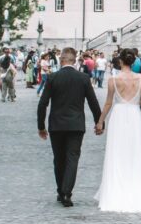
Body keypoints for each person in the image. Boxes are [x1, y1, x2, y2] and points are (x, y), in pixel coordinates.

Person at [36, 47, 102, 208]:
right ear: (74, 60)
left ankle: (60, 190)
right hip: (76, 125)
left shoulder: (53, 77)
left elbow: (43, 103)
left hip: (56, 125)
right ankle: (67, 192)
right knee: (73, 158)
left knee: (59, 159)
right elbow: (93, 102)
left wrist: (41, 126)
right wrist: (99, 122)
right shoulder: (83, 78)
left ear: (61, 60)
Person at [94, 48, 141, 213]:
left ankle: (114, 191)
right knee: (134, 153)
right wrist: (134, 103)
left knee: (116, 152)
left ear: (120, 61)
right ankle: (134, 190)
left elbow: (107, 103)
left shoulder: (113, 80)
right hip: (134, 115)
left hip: (118, 115)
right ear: (133, 62)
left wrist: (100, 121)